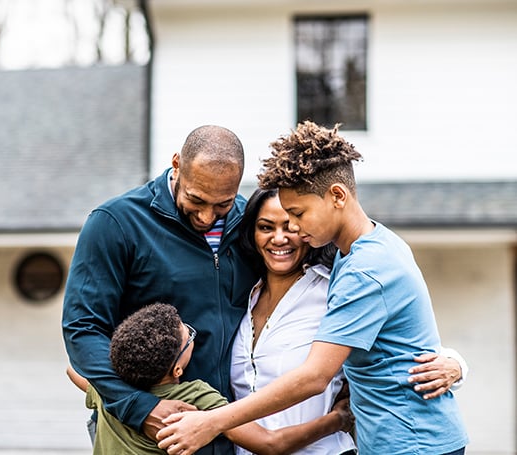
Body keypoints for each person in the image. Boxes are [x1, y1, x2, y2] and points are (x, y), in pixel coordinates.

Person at [156, 121, 469, 455]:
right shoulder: (367, 250)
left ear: (337, 196)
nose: (293, 227)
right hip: (397, 440)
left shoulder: (365, 268)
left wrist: (211, 422)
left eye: (298, 213)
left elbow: (314, 376)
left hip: (413, 443)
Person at [62, 125, 259, 454]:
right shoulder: (116, 223)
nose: (207, 216)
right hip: (144, 435)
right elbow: (83, 329)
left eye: (221, 205)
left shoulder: (251, 224)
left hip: (227, 435)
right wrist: (140, 408)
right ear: (177, 164)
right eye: (196, 199)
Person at [231, 188, 467, 455]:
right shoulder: (240, 295)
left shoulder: (336, 287)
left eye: (294, 221)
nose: (281, 237)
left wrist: (454, 363)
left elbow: (393, 340)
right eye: (266, 227)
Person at [67, 302, 354, 454]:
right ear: (177, 370)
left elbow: (74, 370)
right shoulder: (194, 398)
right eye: (188, 336)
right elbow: (270, 443)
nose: (192, 335)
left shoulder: (110, 392)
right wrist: (336, 420)